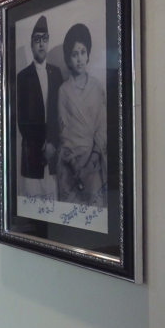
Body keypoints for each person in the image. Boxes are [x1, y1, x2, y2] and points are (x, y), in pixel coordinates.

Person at [57, 23, 107, 207]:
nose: (79, 58)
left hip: (94, 166)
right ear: (68, 58)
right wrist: (77, 168)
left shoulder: (97, 87)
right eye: (74, 54)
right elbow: (63, 134)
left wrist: (89, 166)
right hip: (71, 169)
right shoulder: (64, 91)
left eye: (83, 52)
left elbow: (102, 129)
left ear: (88, 54)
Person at [17, 15, 63, 199]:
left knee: (53, 203)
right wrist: (42, 146)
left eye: (44, 39)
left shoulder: (56, 73)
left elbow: (60, 114)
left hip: (52, 156)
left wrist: (52, 144)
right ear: (31, 44)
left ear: (48, 41)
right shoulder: (23, 77)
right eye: (37, 40)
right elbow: (22, 121)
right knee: (32, 204)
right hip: (32, 154)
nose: (41, 44)